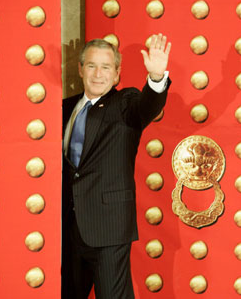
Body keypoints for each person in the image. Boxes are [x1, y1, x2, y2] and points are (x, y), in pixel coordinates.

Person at [62, 33, 171, 299]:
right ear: (80, 68)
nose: (98, 74)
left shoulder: (124, 103)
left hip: (108, 229)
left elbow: (147, 106)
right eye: (91, 65)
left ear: (117, 73)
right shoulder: (64, 108)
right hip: (67, 228)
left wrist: (156, 79)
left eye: (106, 67)